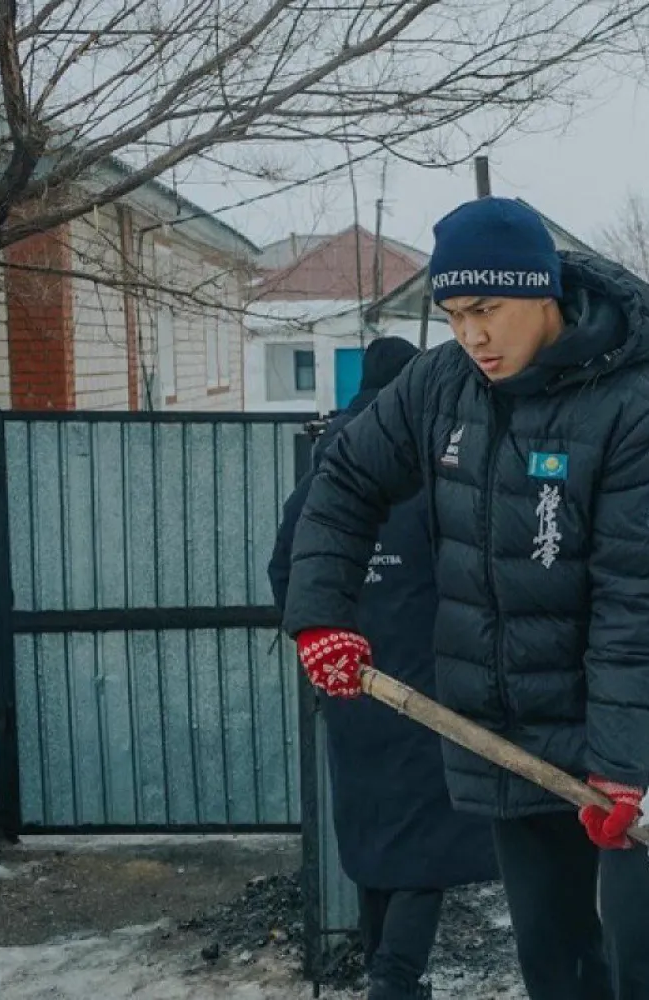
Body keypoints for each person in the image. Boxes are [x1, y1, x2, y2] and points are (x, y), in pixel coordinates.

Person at [282, 197, 649, 1000]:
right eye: (453, 315)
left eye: (487, 309)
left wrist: (623, 769)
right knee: (556, 961)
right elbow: (341, 482)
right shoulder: (440, 386)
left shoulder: (644, 411)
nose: (472, 335)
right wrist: (321, 617)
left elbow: (640, 601)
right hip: (514, 734)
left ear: (542, 291)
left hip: (643, 733)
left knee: (645, 956)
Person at [269, 337, 498, 1000]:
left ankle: (389, 972)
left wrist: (321, 634)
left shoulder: (326, 469)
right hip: (424, 679)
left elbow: (288, 568)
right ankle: (396, 980)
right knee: (425, 842)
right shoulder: (430, 465)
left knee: (375, 836)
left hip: (350, 678)